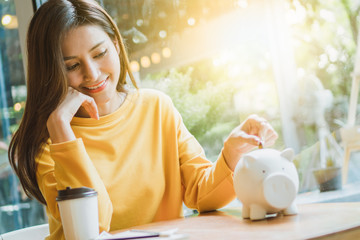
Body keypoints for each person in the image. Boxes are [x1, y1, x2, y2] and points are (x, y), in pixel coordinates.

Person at [8, 0, 278, 239]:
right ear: (52, 72)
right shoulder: (51, 144)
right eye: (72, 66)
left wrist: (231, 155)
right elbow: (90, 230)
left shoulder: (156, 107)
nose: (92, 73)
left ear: (115, 45)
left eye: (99, 54)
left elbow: (201, 194)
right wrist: (61, 129)